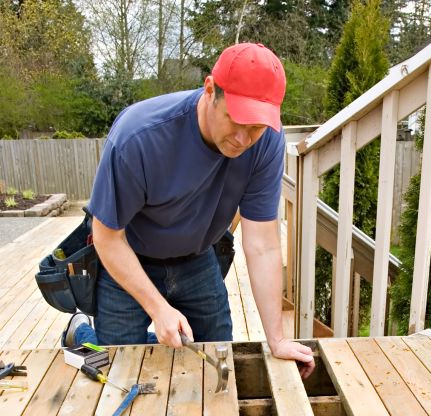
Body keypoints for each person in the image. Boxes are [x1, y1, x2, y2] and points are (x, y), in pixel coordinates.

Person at [64, 42, 315, 378]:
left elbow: (263, 244)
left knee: (216, 363)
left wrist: (277, 339)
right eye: (235, 120)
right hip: (128, 259)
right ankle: (82, 332)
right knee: (121, 367)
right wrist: (158, 309)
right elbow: (106, 237)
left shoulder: (267, 141)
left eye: (255, 128)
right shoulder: (138, 136)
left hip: (198, 260)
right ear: (210, 90)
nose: (243, 139)